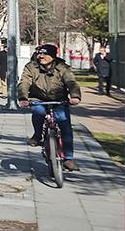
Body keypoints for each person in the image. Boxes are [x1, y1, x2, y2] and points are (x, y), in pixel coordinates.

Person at [19, 44, 82, 172]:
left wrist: (75, 96)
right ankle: (37, 135)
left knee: (65, 126)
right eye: (39, 54)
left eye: (44, 54)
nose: (40, 56)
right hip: (38, 99)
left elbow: (71, 82)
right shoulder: (31, 67)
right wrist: (23, 98)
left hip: (59, 100)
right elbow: (24, 82)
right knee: (38, 112)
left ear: (52, 56)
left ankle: (68, 158)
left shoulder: (62, 67)